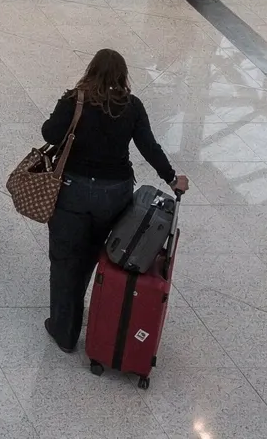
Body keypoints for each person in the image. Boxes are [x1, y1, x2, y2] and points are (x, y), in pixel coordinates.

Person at [40, 49, 187, 353]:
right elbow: (149, 146)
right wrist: (172, 178)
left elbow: (50, 134)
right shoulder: (131, 107)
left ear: (91, 70)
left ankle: (63, 328)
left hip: (73, 189)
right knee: (94, 254)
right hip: (114, 193)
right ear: (122, 75)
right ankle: (85, 312)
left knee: (64, 258)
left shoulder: (75, 99)